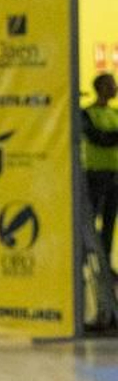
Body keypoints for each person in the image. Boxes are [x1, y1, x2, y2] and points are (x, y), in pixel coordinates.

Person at [84, 73, 118, 270]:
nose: (115, 87)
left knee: (109, 224)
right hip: (96, 176)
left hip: (114, 176)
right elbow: (99, 138)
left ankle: (105, 266)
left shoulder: (115, 113)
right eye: (111, 84)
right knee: (90, 222)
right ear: (101, 88)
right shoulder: (86, 113)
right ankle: (86, 262)